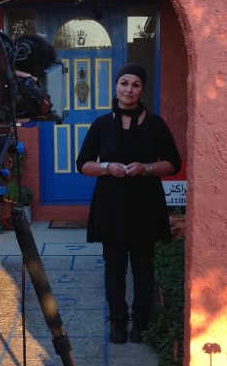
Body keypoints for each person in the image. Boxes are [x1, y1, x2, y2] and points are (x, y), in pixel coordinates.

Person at [76, 62, 181, 344]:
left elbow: (173, 163)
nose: (129, 89)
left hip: (145, 205)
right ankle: (118, 321)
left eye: (135, 84)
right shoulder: (101, 124)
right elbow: (83, 164)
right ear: (116, 86)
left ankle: (141, 321)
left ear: (142, 89)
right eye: (124, 83)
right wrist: (107, 167)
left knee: (143, 267)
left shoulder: (156, 124)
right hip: (111, 205)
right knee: (114, 268)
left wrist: (146, 168)